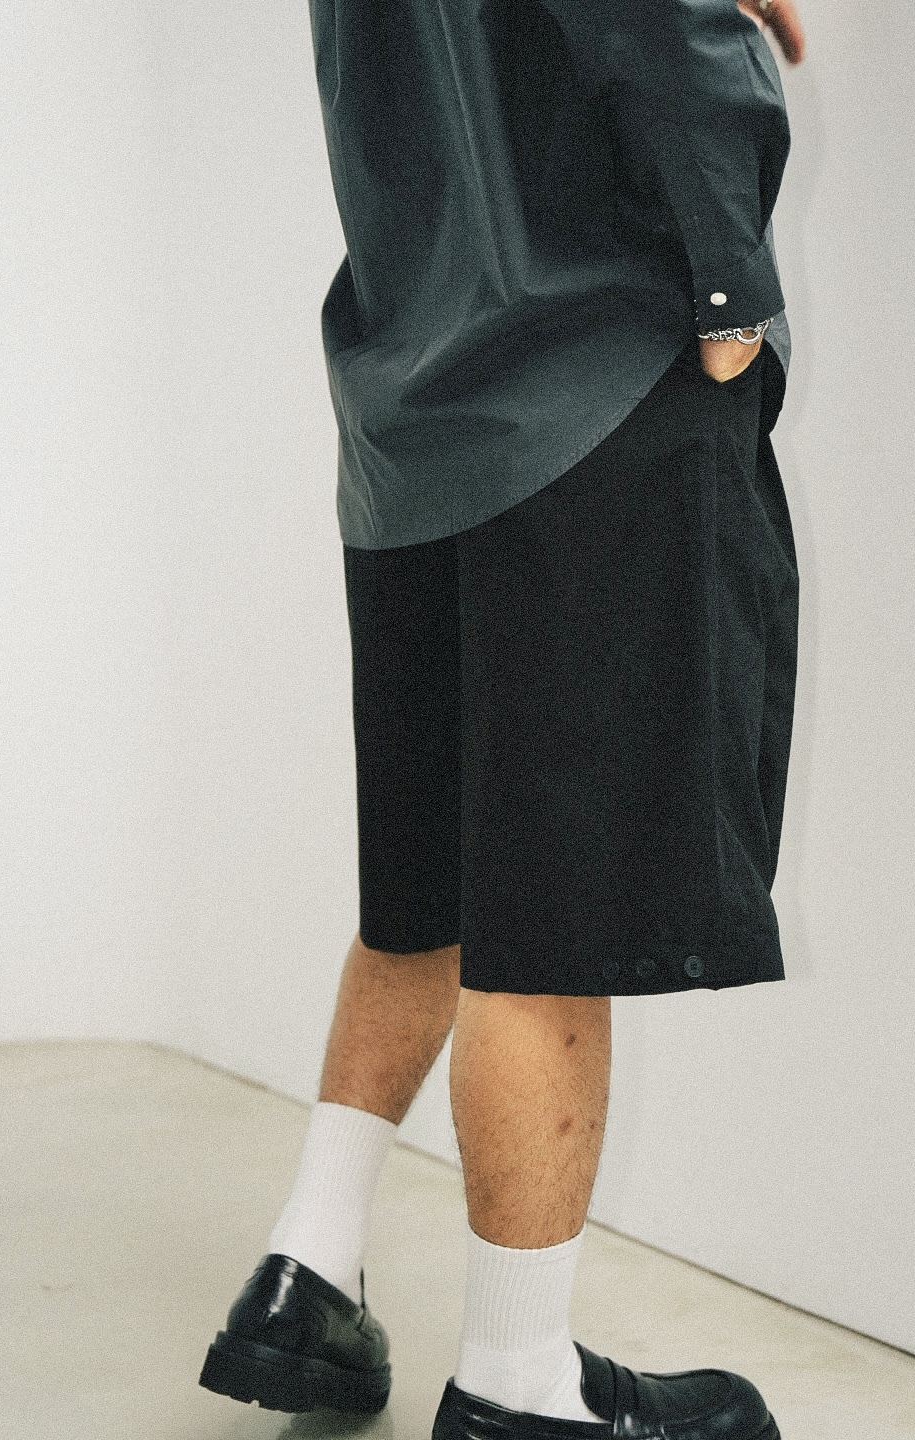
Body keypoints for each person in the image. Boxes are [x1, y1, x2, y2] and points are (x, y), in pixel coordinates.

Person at [199, 0, 806, 1435]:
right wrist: (731, 290)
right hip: (591, 376)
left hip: (417, 393)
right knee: (552, 930)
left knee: (429, 891)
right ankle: (519, 1384)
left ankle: (305, 1272)